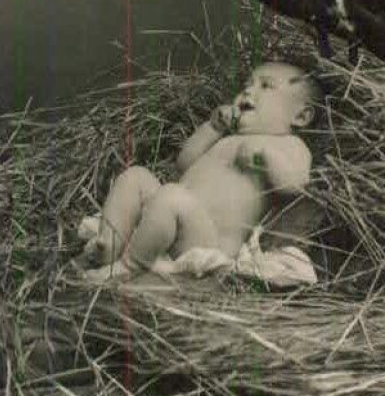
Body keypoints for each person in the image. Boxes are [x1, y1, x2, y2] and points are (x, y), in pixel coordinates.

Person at [80, 61, 321, 283]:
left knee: (172, 196)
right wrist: (212, 128)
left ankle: (129, 266)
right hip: (171, 216)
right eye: (247, 84)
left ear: (301, 116)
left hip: (207, 241)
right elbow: (185, 164)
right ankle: (110, 242)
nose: (248, 91)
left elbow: (296, 184)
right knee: (136, 176)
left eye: (266, 86)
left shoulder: (290, 145)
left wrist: (265, 158)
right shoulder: (228, 139)